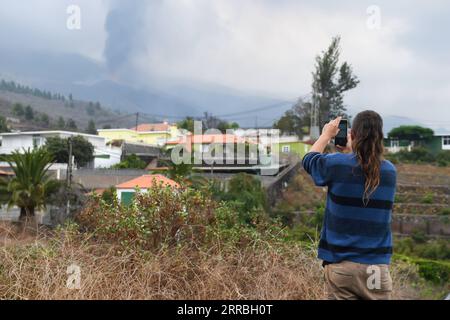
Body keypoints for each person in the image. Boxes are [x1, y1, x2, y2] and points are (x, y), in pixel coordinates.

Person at [302, 110, 397, 300]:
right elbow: (362, 166)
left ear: (352, 134)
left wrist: (326, 135)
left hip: (341, 267)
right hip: (376, 270)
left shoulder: (337, 164)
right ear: (380, 137)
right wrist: (350, 152)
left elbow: (309, 161)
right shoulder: (389, 172)